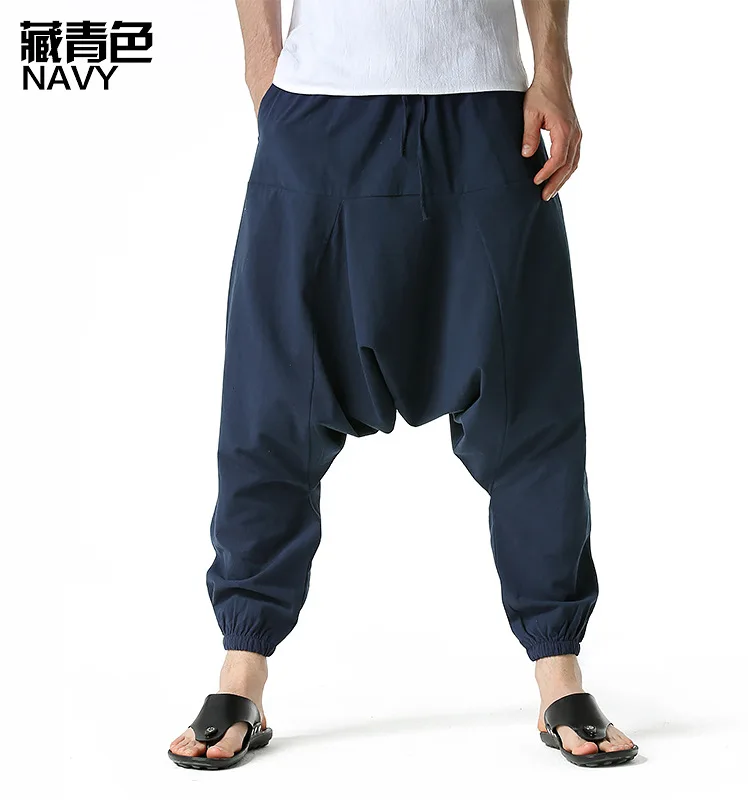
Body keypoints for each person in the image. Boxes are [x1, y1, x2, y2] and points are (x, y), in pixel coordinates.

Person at [169, 0, 637, 770]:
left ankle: (558, 670)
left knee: (529, 396)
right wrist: (265, 78)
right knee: (273, 398)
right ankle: (242, 667)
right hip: (319, 106)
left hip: (487, 107)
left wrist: (552, 69)